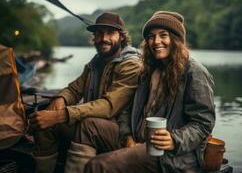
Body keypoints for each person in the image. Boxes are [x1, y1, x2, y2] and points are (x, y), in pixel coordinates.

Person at [81, 11, 216, 173]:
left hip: (169, 155)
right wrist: (128, 137)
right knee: (88, 125)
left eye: (163, 35)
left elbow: (203, 123)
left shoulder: (194, 72)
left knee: (97, 165)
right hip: (138, 141)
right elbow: (127, 110)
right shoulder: (148, 69)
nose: (156, 41)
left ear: (176, 39)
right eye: (151, 36)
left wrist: (174, 139)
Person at [29, 12, 142, 173]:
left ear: (122, 37)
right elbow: (74, 89)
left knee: (85, 124)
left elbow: (109, 106)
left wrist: (60, 115)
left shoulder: (131, 65)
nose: (103, 38)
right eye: (98, 33)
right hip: (91, 127)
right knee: (44, 122)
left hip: (122, 134)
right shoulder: (95, 63)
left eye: (110, 33)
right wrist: (60, 98)